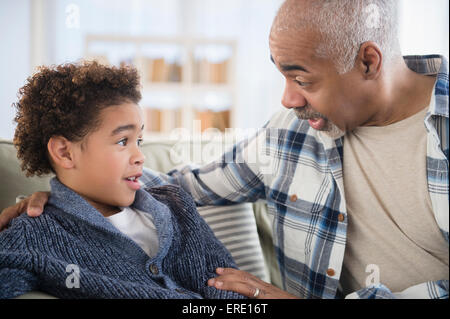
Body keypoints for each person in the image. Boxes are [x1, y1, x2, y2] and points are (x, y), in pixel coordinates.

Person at [1, 0, 448, 299]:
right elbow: (179, 186)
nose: (287, 100)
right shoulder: (289, 133)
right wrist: (55, 197)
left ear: (368, 61)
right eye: (282, 76)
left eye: (303, 79)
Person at [0, 61, 244, 299]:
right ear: (65, 152)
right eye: (122, 141)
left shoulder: (176, 204)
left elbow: (228, 284)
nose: (140, 156)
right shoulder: (33, 235)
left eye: (139, 140)